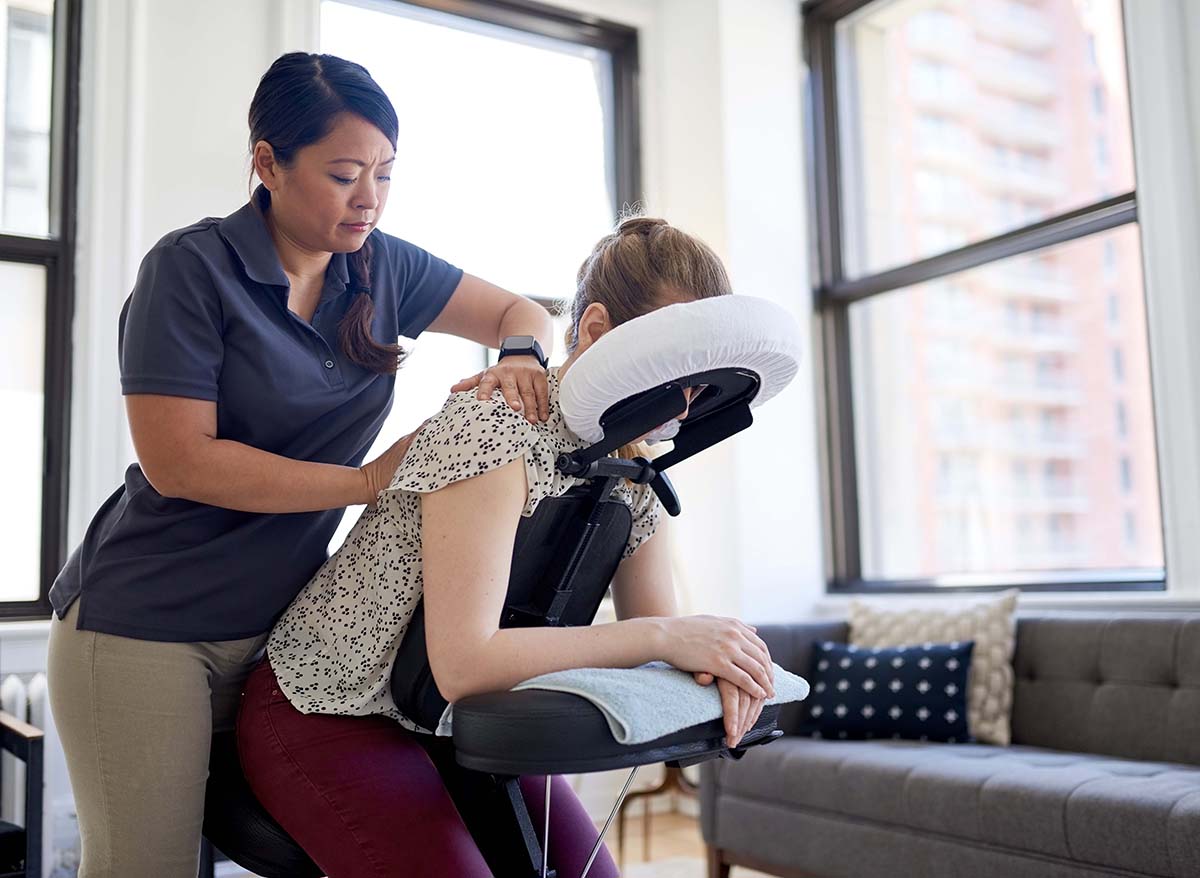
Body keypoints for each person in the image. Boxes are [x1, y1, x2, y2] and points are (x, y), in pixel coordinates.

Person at [45, 52, 557, 878]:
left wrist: (523, 353)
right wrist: (365, 482)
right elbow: (179, 464)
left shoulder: (382, 264)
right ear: (267, 162)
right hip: (146, 625)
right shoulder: (191, 269)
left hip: (282, 633)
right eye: (345, 174)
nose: (370, 200)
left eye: (386, 176)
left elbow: (515, 308)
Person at [237, 216, 778, 878]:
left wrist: (717, 665)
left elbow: (652, 634)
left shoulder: (634, 472)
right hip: (330, 709)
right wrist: (671, 637)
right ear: (598, 331)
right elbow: (468, 661)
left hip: (456, 721)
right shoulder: (495, 428)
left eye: (703, 376)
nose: (688, 402)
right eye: (674, 364)